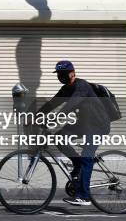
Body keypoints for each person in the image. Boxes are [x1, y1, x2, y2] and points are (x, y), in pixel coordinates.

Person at [37, 60, 111, 206]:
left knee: (86, 156)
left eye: (63, 74)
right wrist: (36, 115)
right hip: (84, 125)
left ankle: (84, 196)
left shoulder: (81, 86)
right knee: (59, 137)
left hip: (98, 125)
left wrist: (55, 117)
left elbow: (72, 104)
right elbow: (52, 103)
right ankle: (77, 165)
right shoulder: (66, 89)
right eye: (59, 74)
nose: (61, 77)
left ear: (73, 73)